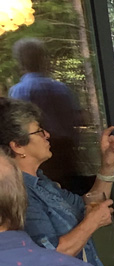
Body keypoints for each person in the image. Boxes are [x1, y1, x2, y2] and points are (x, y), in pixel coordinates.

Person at [0, 98, 114, 266]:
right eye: (39, 131)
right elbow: (49, 256)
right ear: (18, 146)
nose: (47, 135)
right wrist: (92, 222)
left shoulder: (42, 182)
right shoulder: (20, 194)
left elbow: (86, 205)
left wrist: (107, 167)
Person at [9, 38, 81, 189]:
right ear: (43, 60)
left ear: (21, 61)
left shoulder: (19, 91)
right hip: (67, 154)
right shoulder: (61, 89)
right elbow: (75, 121)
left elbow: (17, 128)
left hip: (41, 159)